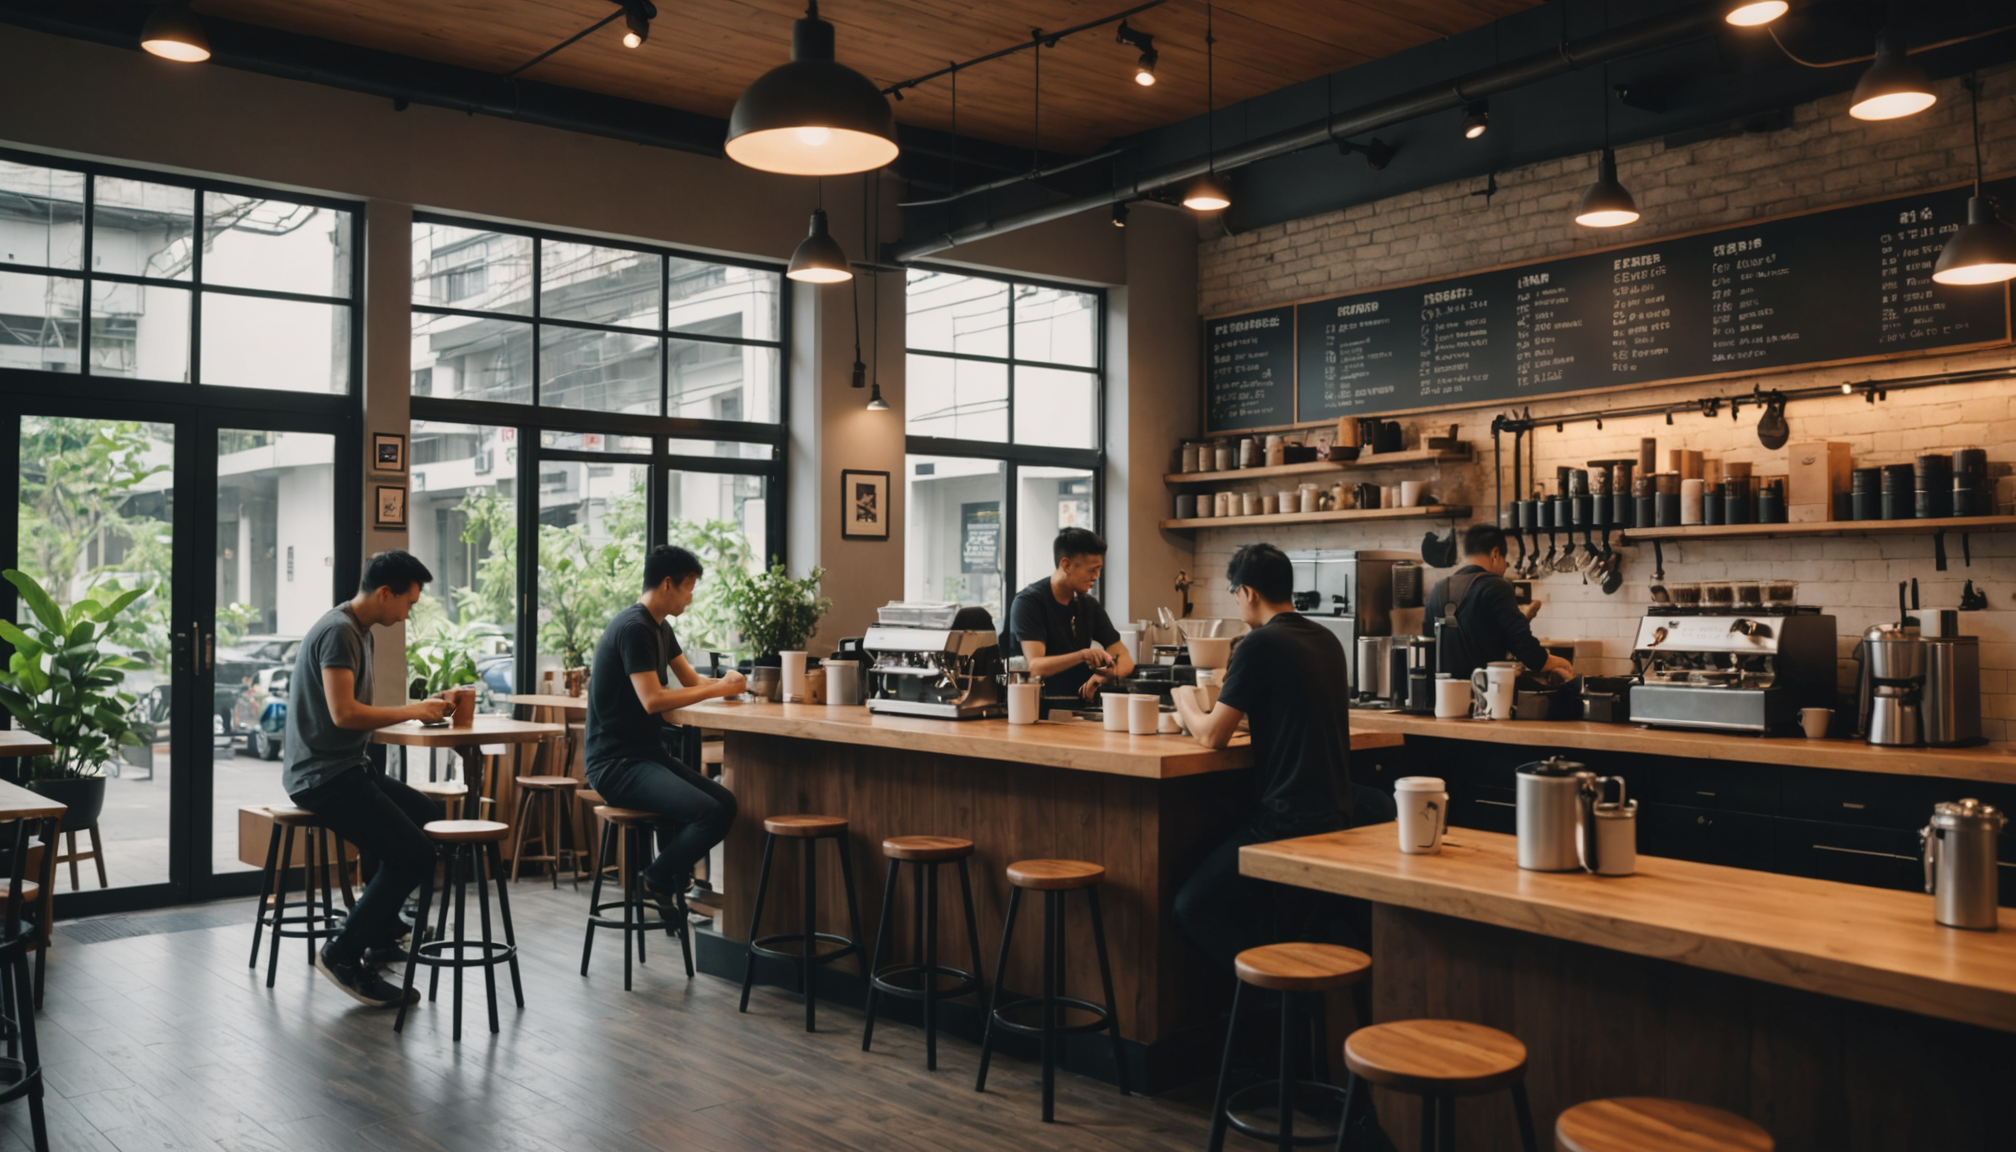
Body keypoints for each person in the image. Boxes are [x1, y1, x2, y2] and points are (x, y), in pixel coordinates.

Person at [1169, 543, 1357, 971]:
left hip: (1288, 824)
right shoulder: (1326, 639)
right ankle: (1279, 985)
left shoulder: (1258, 644)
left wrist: (1183, 699)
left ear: (1248, 592)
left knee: (1190, 907)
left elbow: (1212, 737)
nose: (1237, 602)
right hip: (1338, 818)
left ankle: (1262, 991)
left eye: (1234, 591)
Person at [286, 550, 456, 1008]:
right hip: (321, 775)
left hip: (348, 767)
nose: (407, 614)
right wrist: (413, 710)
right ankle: (343, 952)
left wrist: (418, 713)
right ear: (386, 593)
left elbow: (353, 714)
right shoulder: (340, 632)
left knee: (425, 814)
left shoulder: (358, 629)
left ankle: (382, 931)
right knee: (415, 854)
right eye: (408, 604)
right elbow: (344, 714)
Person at [584, 544, 745, 915]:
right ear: (668, 584)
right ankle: (658, 879)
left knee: (726, 803)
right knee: (710, 813)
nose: (691, 597)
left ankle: (668, 877)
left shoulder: (660, 627)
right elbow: (653, 700)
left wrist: (730, 683)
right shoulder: (633, 628)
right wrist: (719, 687)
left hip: (645, 754)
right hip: (614, 763)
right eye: (689, 587)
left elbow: (690, 681)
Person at [1424, 524, 1576, 683]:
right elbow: (1530, 655)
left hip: (1444, 699)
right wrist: (1564, 664)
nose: (1504, 567)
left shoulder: (1438, 589)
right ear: (1495, 554)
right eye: (1506, 561)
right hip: (1488, 696)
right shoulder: (1495, 585)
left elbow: (1429, 649)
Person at [1007, 527, 1136, 702]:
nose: (1096, 576)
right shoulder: (1029, 603)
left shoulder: (1088, 605)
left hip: (1078, 710)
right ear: (1066, 565)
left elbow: (1125, 658)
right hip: (1035, 708)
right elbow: (1036, 666)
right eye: (1092, 570)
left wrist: (1105, 676)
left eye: (1099, 569)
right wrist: (1083, 655)